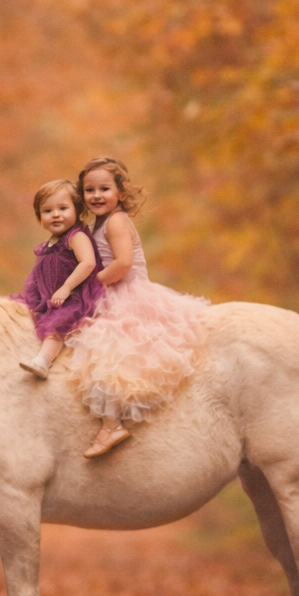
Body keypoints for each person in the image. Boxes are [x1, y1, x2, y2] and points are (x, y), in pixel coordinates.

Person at [68, 156, 209, 458]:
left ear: (120, 191)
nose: (96, 195)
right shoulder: (99, 223)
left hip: (128, 295)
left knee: (109, 353)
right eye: (89, 190)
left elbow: (122, 263)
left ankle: (111, 424)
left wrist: (90, 283)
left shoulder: (117, 221)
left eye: (104, 188)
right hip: (110, 293)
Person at [13, 179, 103, 380]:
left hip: (76, 296)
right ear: (39, 217)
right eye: (47, 211)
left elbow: (88, 263)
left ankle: (43, 361)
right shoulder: (50, 243)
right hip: (51, 296)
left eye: (63, 208)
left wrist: (66, 288)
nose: (55, 214)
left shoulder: (76, 236)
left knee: (57, 324)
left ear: (77, 211)